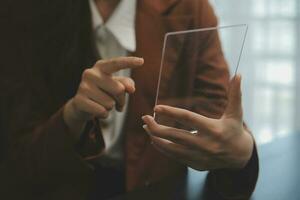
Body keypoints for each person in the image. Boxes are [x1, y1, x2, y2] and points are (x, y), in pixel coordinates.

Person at [0, 0, 258, 199]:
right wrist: (72, 116)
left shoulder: (189, 7)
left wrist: (242, 154)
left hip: (155, 190)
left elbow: (220, 123)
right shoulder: (21, 13)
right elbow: (17, 161)